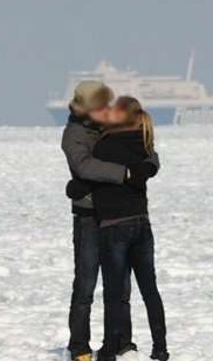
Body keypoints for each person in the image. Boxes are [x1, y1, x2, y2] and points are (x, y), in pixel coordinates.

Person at [62, 81, 158, 361]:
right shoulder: (73, 135)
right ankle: (79, 346)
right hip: (89, 217)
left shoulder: (109, 125)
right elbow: (84, 166)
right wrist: (125, 174)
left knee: (120, 286)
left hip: (117, 216)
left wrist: (148, 166)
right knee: (86, 284)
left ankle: (121, 342)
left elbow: (144, 145)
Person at [89, 97, 168, 361]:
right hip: (141, 223)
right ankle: (160, 347)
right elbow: (150, 163)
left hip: (114, 226)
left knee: (113, 293)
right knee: (149, 289)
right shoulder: (143, 143)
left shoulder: (105, 145)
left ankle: (110, 350)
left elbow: (88, 173)